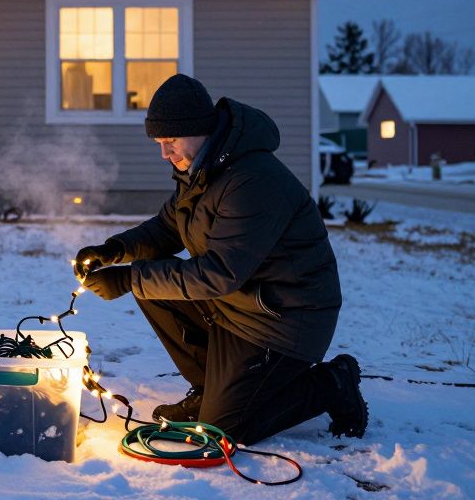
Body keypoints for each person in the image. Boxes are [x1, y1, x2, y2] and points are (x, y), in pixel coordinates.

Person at [76, 74, 367, 445]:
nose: (164, 153)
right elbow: (167, 228)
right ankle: (209, 388)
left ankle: (331, 383)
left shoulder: (251, 181)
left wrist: (129, 278)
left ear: (200, 130)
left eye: (170, 141)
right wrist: (114, 249)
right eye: (159, 143)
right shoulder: (202, 171)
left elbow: (219, 273)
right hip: (239, 306)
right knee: (154, 287)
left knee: (224, 431)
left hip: (285, 319)